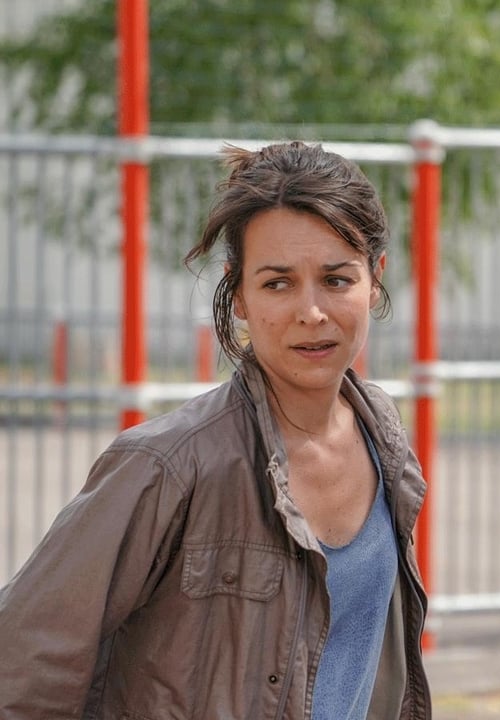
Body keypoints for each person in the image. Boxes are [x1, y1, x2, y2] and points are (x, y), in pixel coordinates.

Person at [0, 141, 432, 719]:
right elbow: (23, 661)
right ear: (240, 294)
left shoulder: (384, 441)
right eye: (277, 283)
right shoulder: (169, 465)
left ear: (374, 279)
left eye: (336, 279)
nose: (311, 312)